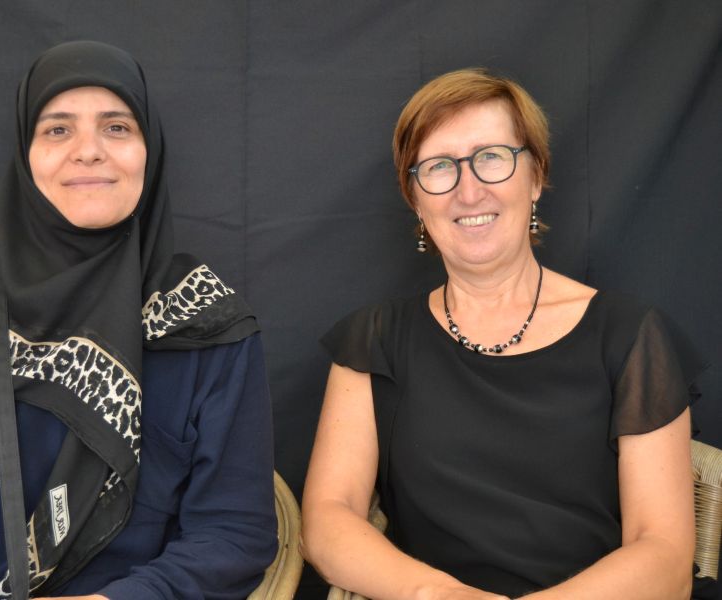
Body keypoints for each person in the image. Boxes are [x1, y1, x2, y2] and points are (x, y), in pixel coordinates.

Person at [0, 41, 277, 599]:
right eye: (57, 129)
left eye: (117, 128)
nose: (89, 151)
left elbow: (233, 534)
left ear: (149, 152)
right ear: (25, 156)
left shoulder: (207, 322)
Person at [301, 68, 713, 599]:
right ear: (416, 199)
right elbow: (327, 521)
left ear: (535, 176)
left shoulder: (630, 336)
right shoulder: (375, 340)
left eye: (492, 157)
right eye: (440, 166)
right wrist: (439, 595)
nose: (469, 190)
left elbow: (664, 555)